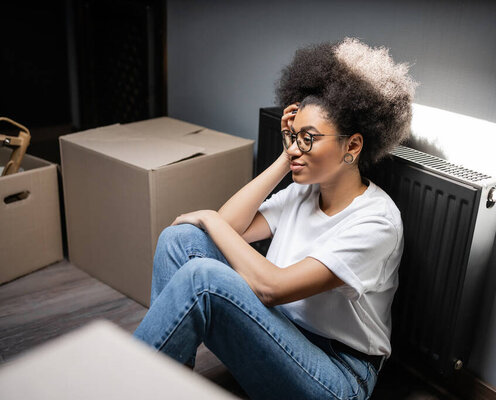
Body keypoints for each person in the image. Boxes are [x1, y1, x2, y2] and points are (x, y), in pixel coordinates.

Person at [133, 37, 416, 400]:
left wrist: (207, 216)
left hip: (337, 375)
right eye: (294, 137)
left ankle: (127, 384)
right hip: (284, 333)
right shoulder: (305, 190)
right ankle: (167, 385)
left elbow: (272, 287)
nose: (297, 147)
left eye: (309, 139)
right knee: (180, 240)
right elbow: (230, 226)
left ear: (353, 146)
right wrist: (287, 156)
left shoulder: (377, 222)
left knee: (203, 277)